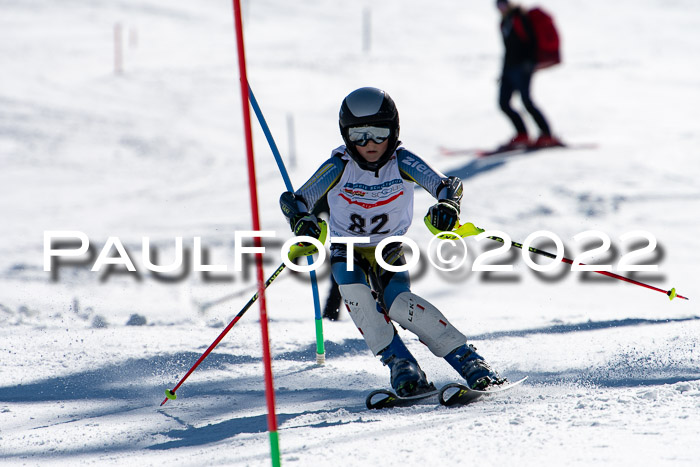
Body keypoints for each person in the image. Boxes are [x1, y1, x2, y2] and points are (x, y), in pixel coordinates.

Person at [280, 87, 505, 396]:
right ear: (346, 136)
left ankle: (470, 361)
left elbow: (446, 186)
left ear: (394, 130)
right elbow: (295, 199)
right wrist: (302, 221)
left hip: (389, 248)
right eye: (359, 135)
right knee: (357, 297)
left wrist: (447, 207)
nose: (369, 143)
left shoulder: (401, 161)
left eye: (378, 132)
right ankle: (401, 365)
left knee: (400, 304)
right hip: (347, 249)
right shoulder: (339, 166)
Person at [496, 0, 561, 149]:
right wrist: (502, 72)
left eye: (503, 4)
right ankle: (522, 135)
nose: (500, 8)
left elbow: (531, 41)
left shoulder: (521, 17)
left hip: (523, 67)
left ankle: (547, 135)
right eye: (498, 5)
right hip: (509, 69)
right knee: (503, 103)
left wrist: (531, 63)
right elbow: (508, 49)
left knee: (526, 101)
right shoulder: (504, 22)